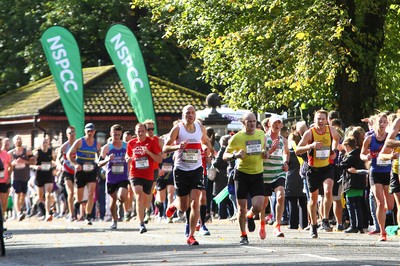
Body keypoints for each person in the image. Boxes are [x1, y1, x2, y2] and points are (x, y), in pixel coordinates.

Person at [164, 105, 214, 245]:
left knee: (195, 201)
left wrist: (209, 150)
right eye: (187, 113)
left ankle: (191, 236)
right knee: (184, 206)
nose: (190, 115)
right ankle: (174, 204)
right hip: (181, 169)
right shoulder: (178, 129)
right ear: (183, 115)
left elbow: (206, 141)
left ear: (195, 115)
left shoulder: (199, 127)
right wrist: (177, 147)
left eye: (192, 113)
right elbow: (165, 148)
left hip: (197, 168)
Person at [296, 110, 341, 238]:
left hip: (326, 167)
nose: (320, 121)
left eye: (322, 119)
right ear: (314, 120)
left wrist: (334, 149)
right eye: (318, 119)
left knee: (328, 191)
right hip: (313, 169)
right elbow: (298, 150)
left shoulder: (330, 129)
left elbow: (336, 139)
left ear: (326, 120)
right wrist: (311, 146)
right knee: (313, 199)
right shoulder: (309, 133)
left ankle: (325, 219)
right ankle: (314, 226)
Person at [223, 111, 266, 245]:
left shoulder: (261, 134)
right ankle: (243, 235)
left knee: (258, 206)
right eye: (249, 122)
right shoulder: (237, 137)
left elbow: (263, 151)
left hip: (257, 173)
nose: (252, 124)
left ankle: (250, 215)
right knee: (241, 207)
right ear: (243, 123)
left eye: (254, 121)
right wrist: (235, 155)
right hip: (242, 174)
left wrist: (265, 153)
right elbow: (225, 156)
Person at [361, 112, 393, 241]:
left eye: (385, 122)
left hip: (388, 172)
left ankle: (384, 219)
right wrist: (366, 157)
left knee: (389, 205)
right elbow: (362, 154)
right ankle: (382, 232)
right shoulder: (369, 138)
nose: (382, 124)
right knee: (379, 202)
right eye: (380, 122)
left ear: (388, 124)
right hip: (375, 172)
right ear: (375, 123)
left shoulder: (390, 139)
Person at [126, 123, 162, 234]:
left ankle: (148, 210)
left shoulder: (152, 143)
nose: (140, 133)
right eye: (138, 131)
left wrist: (148, 152)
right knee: (138, 195)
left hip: (148, 175)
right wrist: (128, 159)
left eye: (142, 131)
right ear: (135, 132)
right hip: (135, 174)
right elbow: (127, 156)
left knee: (146, 201)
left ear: (145, 131)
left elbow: (159, 159)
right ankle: (141, 224)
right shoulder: (131, 143)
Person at [259, 115, 289, 239]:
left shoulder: (284, 140)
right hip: (265, 173)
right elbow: (261, 155)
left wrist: (285, 162)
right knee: (264, 202)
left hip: (278, 172)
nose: (277, 126)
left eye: (279, 123)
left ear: (281, 125)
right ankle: (262, 225)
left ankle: (277, 225)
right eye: (274, 123)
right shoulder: (263, 139)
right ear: (269, 124)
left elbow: (286, 152)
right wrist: (271, 150)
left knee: (281, 196)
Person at [67, 123, 101, 225]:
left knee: (91, 193)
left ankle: (88, 216)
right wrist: (75, 164)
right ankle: (75, 208)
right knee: (79, 197)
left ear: (94, 131)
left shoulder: (97, 144)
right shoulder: (79, 142)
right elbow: (69, 154)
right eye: (88, 131)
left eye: (92, 131)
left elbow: (99, 158)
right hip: (81, 171)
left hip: (91, 170)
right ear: (85, 131)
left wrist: (99, 164)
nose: (90, 133)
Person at [98, 124, 129, 230]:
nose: (116, 137)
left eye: (118, 135)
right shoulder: (106, 148)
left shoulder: (126, 146)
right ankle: (114, 220)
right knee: (112, 201)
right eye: (114, 134)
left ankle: (121, 205)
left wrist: (129, 159)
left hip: (123, 176)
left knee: (122, 196)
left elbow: (132, 158)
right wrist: (107, 159)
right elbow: (99, 163)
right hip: (111, 177)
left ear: (121, 134)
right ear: (111, 134)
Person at [339, 137, 367, 234]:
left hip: (351, 183)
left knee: (350, 205)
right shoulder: (359, 154)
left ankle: (353, 225)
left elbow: (341, 165)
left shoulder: (350, 156)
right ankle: (360, 226)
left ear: (347, 146)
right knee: (358, 205)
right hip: (360, 184)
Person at [286, 125, 308, 231]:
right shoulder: (303, 152)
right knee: (303, 202)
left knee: (292, 202)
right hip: (302, 177)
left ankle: (293, 224)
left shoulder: (288, 153)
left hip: (291, 179)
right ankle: (304, 223)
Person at [143, 119, 164, 224]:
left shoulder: (158, 140)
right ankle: (147, 209)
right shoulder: (141, 140)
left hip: (154, 168)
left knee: (149, 190)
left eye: (152, 129)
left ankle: (147, 212)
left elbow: (163, 155)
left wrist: (160, 167)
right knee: (144, 192)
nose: (151, 131)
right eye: (148, 129)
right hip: (142, 169)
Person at [9, 135, 34, 221]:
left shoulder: (27, 151)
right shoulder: (11, 153)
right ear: (14, 142)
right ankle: (19, 212)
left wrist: (24, 161)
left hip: (25, 176)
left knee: (23, 194)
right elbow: (7, 165)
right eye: (17, 139)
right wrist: (13, 164)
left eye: (20, 139)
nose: (18, 140)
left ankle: (19, 209)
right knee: (17, 193)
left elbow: (33, 161)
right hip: (15, 177)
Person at [56, 126, 77, 221]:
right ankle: (71, 214)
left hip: (78, 172)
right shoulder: (64, 147)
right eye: (70, 133)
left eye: (73, 132)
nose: (72, 134)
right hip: (67, 171)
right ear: (66, 135)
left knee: (79, 195)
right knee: (71, 193)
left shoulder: (79, 144)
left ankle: (76, 210)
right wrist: (59, 165)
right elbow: (57, 159)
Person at [33, 137, 55, 221]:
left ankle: (47, 214)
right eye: (43, 142)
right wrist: (35, 166)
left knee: (48, 194)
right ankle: (37, 207)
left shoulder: (51, 152)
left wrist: (54, 166)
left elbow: (54, 160)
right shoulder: (37, 153)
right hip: (40, 176)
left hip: (48, 174)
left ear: (48, 143)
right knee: (40, 197)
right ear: (40, 144)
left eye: (46, 142)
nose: (45, 144)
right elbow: (31, 164)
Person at [0, 138, 11, 218]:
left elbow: (11, 166)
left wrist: (9, 177)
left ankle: (2, 216)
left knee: (3, 201)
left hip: (4, 180)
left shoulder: (5, 154)